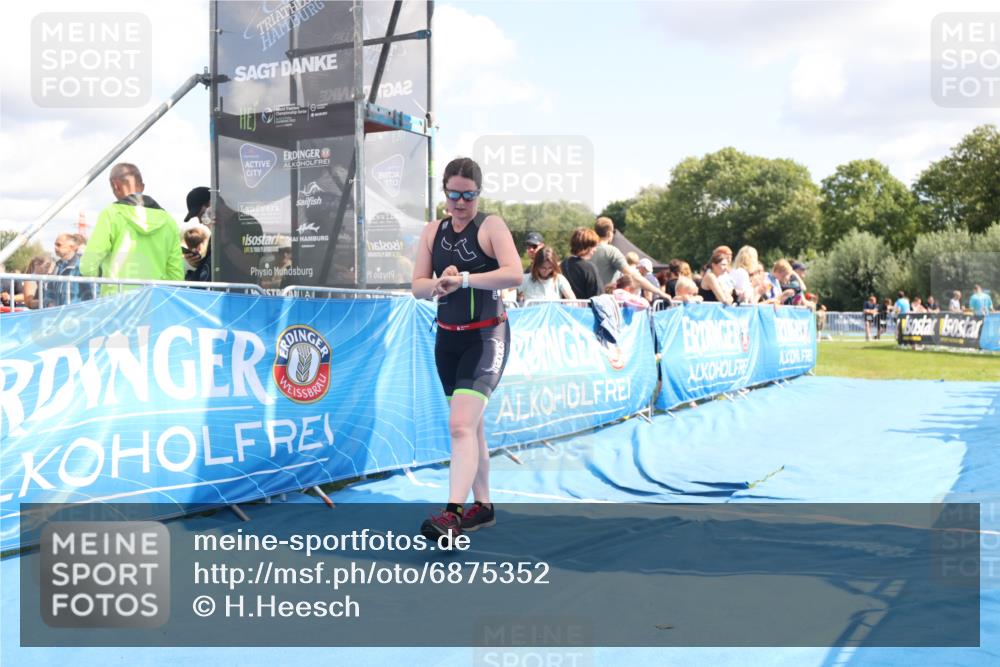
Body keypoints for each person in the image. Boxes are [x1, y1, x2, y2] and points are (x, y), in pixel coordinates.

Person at [411, 157, 522, 539]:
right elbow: (417, 287)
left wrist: (466, 280)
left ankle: (452, 513)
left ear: (478, 193)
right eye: (454, 194)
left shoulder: (490, 225)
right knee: (470, 428)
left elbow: (514, 272)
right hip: (447, 338)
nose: (460, 203)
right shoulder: (432, 231)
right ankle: (483, 506)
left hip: (486, 337)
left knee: (459, 425)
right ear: (445, 192)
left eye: (469, 196)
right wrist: (439, 285)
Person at [81, 163, 184, 292]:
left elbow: (87, 266)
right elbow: (176, 275)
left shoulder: (111, 214)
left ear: (114, 185)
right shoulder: (169, 221)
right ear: (143, 187)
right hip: (154, 301)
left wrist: (104, 277)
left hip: (117, 301)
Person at [590, 217, 669, 299]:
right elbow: (635, 276)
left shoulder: (588, 251)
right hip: (606, 302)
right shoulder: (611, 251)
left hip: (587, 302)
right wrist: (660, 292)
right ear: (610, 233)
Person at [49, 233, 93, 306]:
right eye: (55, 245)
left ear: (72, 247)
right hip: (58, 314)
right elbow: (49, 290)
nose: (55, 247)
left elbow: (93, 293)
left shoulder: (82, 267)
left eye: (59, 245)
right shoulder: (57, 266)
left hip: (77, 315)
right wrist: (49, 303)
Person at [560, 228, 602, 300]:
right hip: (585, 309)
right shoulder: (589, 268)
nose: (595, 250)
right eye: (593, 246)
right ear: (586, 247)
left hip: (565, 308)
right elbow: (598, 296)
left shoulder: (563, 264)